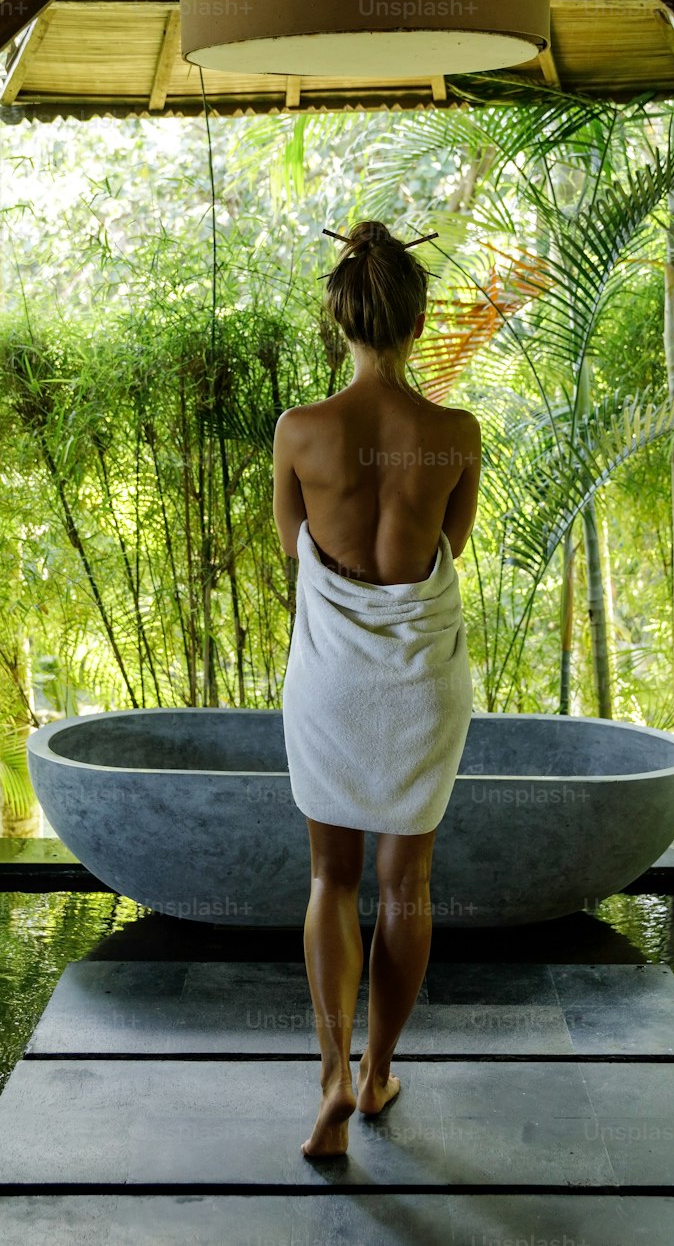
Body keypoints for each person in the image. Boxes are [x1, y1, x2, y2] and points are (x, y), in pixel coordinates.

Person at [272, 219, 481, 1158]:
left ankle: (329, 1081)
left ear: (341, 317)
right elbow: (448, 551)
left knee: (331, 876)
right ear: (416, 319)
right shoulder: (454, 434)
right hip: (421, 685)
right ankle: (378, 1072)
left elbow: (296, 550)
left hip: (330, 682)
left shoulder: (301, 432)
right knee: (407, 886)